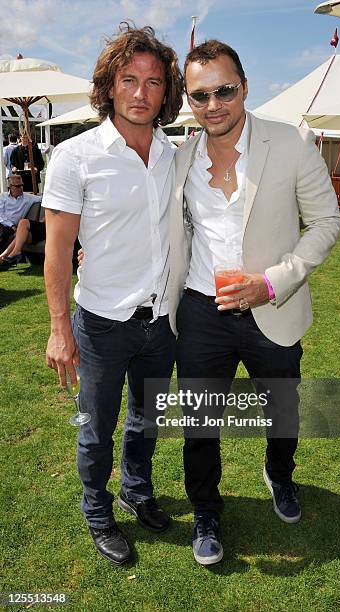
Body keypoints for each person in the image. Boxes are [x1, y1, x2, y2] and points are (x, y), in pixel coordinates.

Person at [168, 40, 340, 566]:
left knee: (281, 408)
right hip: (201, 311)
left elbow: (328, 223)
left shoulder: (289, 144)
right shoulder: (180, 158)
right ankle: (206, 511)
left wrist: (272, 282)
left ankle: (281, 475)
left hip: (274, 307)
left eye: (225, 90)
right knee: (199, 424)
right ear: (188, 101)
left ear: (244, 88)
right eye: (201, 95)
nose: (214, 104)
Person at [42, 23, 183, 566]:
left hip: (161, 321)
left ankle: (136, 489)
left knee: (147, 421)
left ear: (166, 91)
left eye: (153, 81)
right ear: (110, 85)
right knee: (97, 428)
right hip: (100, 322)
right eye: (130, 79)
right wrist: (60, 328)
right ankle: (97, 508)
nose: (142, 92)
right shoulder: (76, 156)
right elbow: (57, 252)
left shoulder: (175, 155)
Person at [0, 175, 42, 257]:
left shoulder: (28, 197)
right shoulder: (2, 197)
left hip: (12, 229)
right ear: (10, 187)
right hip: (5, 224)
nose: (21, 188)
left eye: (22, 185)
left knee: (5, 234)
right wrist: (11, 225)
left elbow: (43, 198)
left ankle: (3, 258)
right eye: (18, 186)